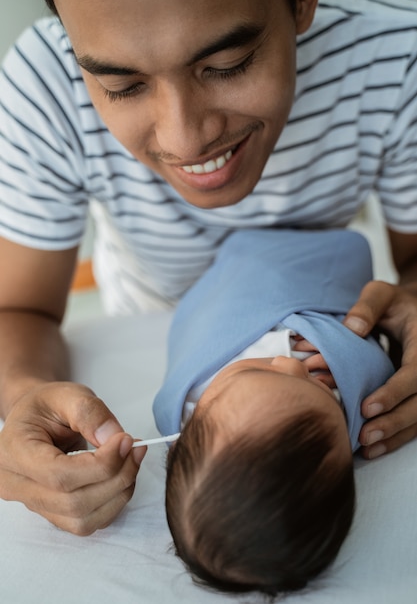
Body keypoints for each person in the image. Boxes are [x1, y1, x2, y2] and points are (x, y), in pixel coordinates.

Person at [0, 0, 417, 536]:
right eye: (122, 86)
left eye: (227, 63)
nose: (186, 138)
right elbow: (19, 309)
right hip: (146, 303)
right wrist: (25, 397)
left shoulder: (399, 52)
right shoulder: (44, 84)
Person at [153, 227, 394, 595]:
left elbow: (200, 333)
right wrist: (340, 354)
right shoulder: (334, 428)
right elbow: (378, 373)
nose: (290, 364)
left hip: (233, 282)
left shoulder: (184, 405)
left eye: (253, 371)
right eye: (320, 394)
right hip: (312, 273)